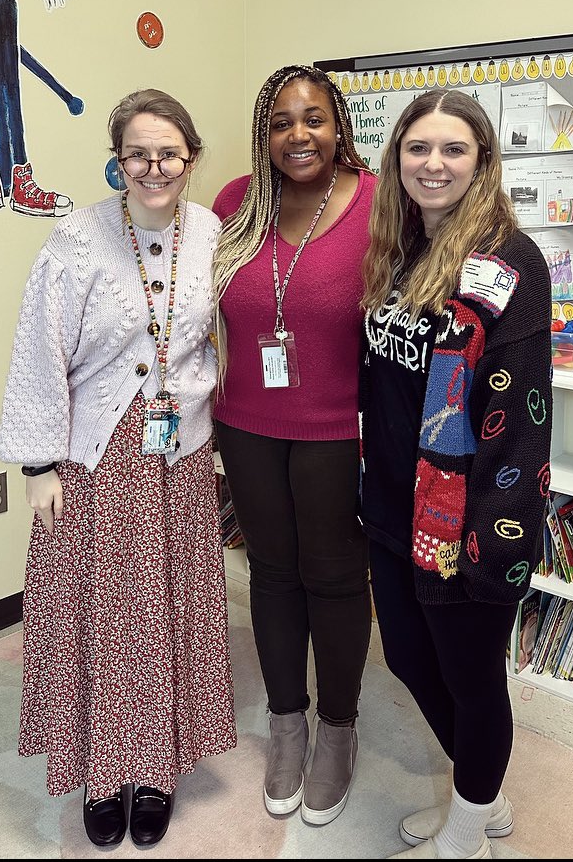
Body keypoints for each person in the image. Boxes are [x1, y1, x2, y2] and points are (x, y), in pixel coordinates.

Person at [0, 89, 236, 849]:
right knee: (100, 615)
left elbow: (226, 330)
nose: (153, 167)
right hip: (94, 455)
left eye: (168, 152)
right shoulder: (77, 238)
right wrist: (38, 465)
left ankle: (157, 768)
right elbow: (39, 347)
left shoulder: (211, 232)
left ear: (190, 157)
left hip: (181, 451)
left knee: (170, 609)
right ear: (118, 159)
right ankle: (104, 771)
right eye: (138, 153)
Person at [359, 90, 552, 860]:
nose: (433, 163)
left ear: (482, 161)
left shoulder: (509, 261)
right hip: (391, 504)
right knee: (407, 656)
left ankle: (466, 834)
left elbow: (519, 416)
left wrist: (491, 532)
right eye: (418, 147)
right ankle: (485, 796)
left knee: (472, 680)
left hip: (467, 518)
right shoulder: (403, 248)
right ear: (397, 157)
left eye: (453, 149)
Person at [211, 63, 375, 826]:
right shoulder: (234, 204)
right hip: (243, 422)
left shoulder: (381, 205)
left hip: (341, 429)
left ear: (337, 124)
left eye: (312, 118)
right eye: (280, 121)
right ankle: (287, 721)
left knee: (335, 576)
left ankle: (338, 728)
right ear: (263, 132)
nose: (297, 134)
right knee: (272, 574)